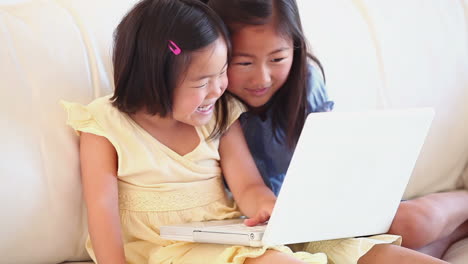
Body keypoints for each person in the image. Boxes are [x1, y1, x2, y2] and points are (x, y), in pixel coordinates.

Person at [61, 0, 330, 263]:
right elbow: (102, 209)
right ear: (154, 79)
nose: (219, 90)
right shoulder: (104, 125)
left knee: (358, 248)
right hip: (157, 248)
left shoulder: (222, 116)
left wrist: (267, 206)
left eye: (222, 73)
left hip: (223, 238)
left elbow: (248, 186)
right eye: (202, 81)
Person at [207, 0, 452, 263]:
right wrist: (275, 211)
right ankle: (451, 237)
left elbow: (332, 163)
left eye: (277, 58)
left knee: (409, 223)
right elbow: (249, 188)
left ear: (296, 48)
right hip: (274, 217)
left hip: (325, 211)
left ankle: (462, 200)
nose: (262, 78)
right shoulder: (216, 107)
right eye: (244, 63)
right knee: (409, 234)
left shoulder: (305, 83)